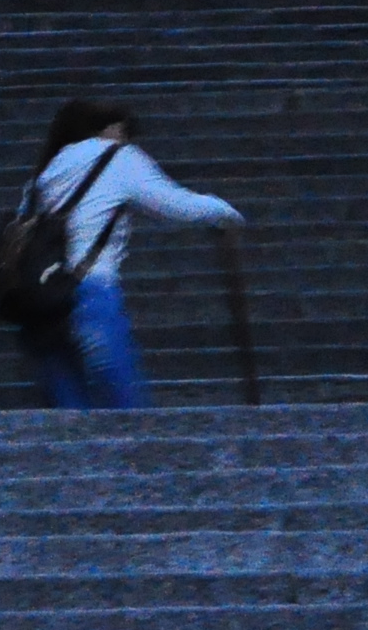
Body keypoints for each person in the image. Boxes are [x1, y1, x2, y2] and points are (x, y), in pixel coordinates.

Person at [15, 98, 245, 410]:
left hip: (38, 306)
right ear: (109, 128)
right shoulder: (117, 156)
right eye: (124, 132)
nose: (127, 140)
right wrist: (226, 213)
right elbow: (175, 204)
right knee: (128, 417)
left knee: (69, 421)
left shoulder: (44, 174)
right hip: (88, 292)